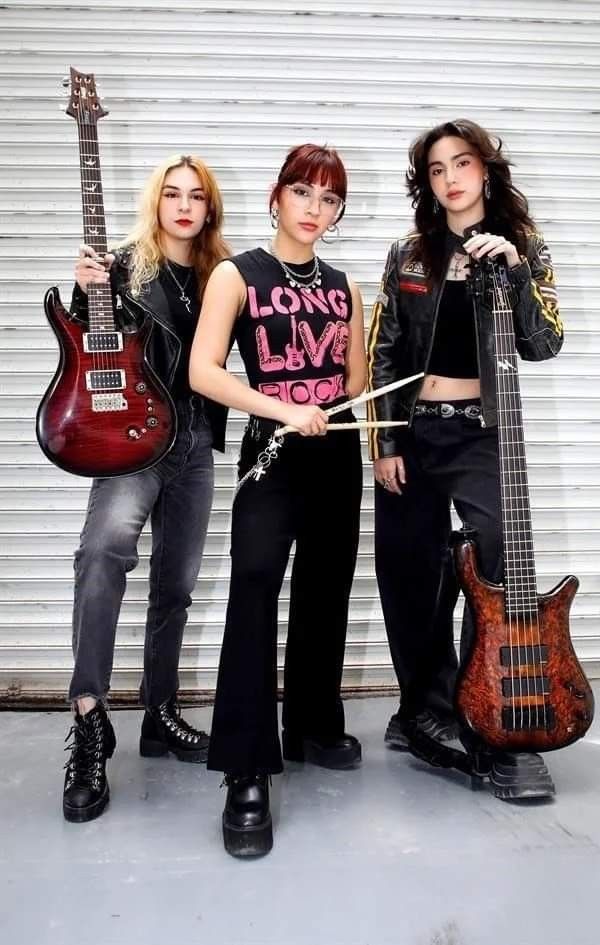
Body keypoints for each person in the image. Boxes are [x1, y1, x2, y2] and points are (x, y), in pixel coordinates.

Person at [367, 119, 564, 800]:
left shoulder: (524, 249)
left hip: (483, 434)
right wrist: (385, 441)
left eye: (462, 162)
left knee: (501, 565)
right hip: (416, 432)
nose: (450, 178)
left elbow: (545, 345)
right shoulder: (408, 254)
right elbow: (384, 351)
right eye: (436, 169)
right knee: (408, 574)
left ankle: (502, 718)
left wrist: (511, 269)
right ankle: (421, 707)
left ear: (487, 170)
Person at [190, 143, 367, 856]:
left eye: (329, 199)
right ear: (277, 195)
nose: (315, 209)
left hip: (336, 449)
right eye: (304, 192)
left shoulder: (346, 284)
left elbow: (352, 378)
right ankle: (246, 767)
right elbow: (204, 372)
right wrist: (280, 405)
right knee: (256, 584)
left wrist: (342, 398)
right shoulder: (237, 276)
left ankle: (313, 723)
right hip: (273, 450)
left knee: (326, 585)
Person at [62, 155, 230, 823]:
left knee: (177, 586)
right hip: (133, 438)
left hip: (194, 444)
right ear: (155, 201)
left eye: (197, 196)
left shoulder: (222, 275)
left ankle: (159, 713)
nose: (184, 205)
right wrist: (84, 291)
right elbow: (90, 340)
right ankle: (87, 723)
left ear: (209, 208)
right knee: (101, 553)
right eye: (172, 193)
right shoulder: (125, 267)